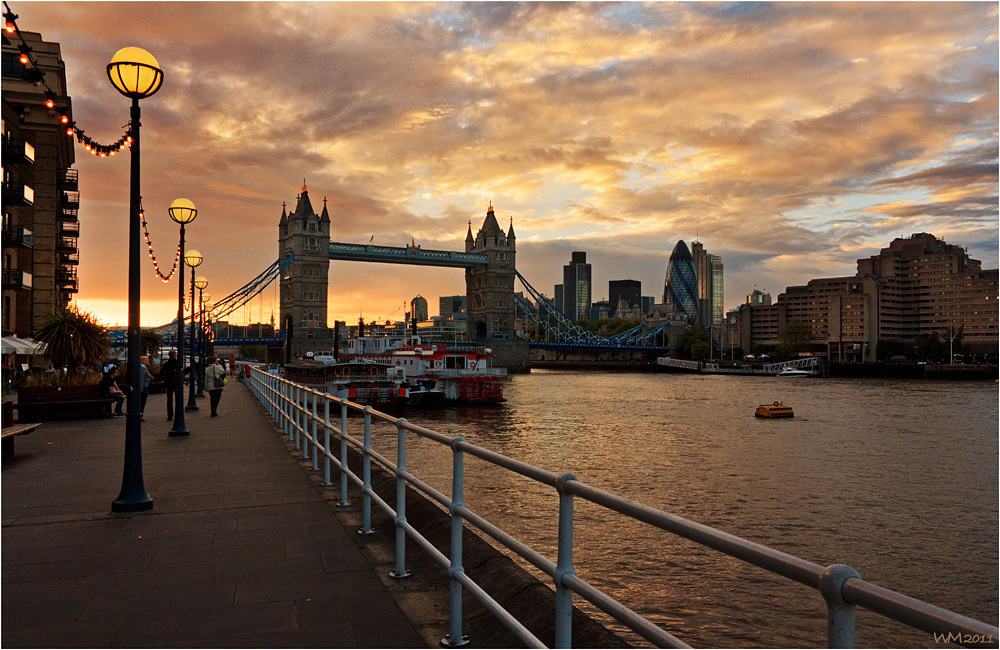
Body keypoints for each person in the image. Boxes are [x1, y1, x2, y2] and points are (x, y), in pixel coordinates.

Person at [159, 350, 180, 420]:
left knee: (169, 399)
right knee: (178, 399)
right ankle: (178, 414)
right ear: (175, 355)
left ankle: (170, 415)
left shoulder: (166, 364)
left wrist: (165, 380)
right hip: (177, 383)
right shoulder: (178, 363)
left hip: (169, 383)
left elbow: (160, 375)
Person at [138, 356, 153, 422]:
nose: (147, 361)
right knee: (142, 400)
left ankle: (140, 414)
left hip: (144, 385)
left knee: (142, 401)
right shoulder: (142, 368)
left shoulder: (143, 368)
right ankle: (140, 415)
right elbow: (141, 378)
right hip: (143, 386)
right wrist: (141, 387)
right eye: (146, 360)